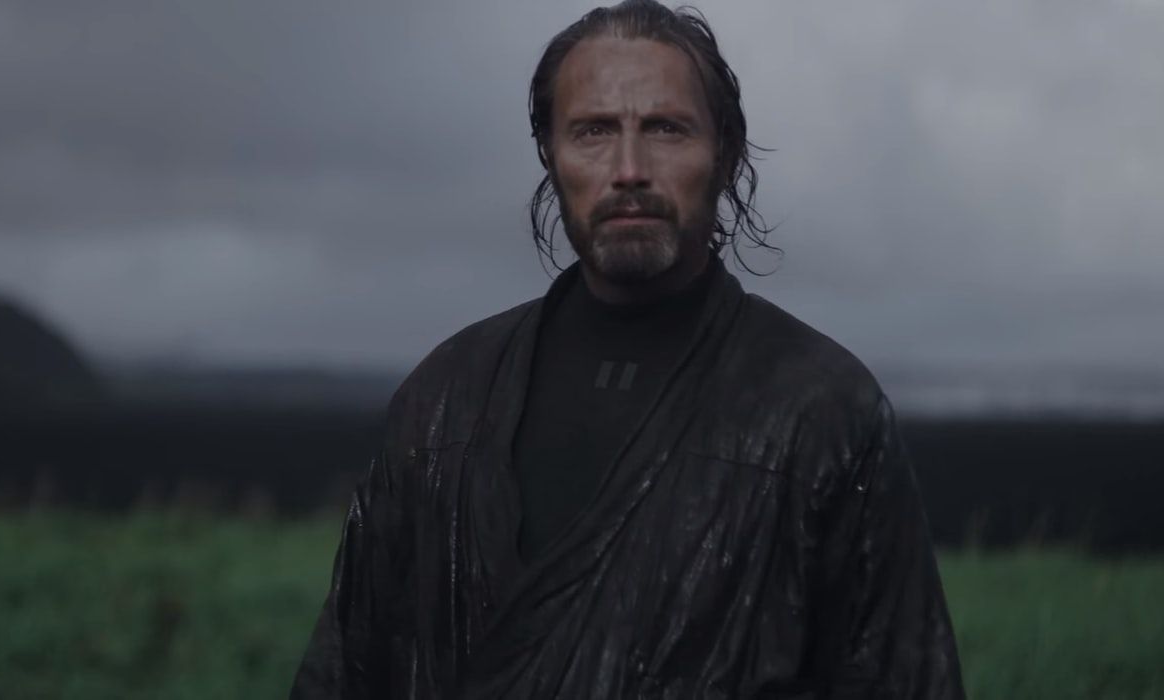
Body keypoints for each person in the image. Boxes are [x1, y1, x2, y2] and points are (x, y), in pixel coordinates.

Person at [292, 1, 964, 697]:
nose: (630, 169)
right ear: (550, 154)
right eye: (594, 131)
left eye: (666, 129)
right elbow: (345, 671)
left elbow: (903, 679)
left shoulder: (821, 410)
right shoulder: (445, 401)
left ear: (725, 153)